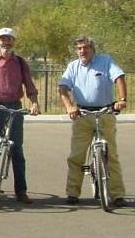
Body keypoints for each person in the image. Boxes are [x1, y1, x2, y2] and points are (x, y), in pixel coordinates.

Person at [58, 36, 128, 208]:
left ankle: (117, 194)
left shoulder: (105, 61)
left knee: (111, 155)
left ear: (92, 49)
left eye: (86, 47)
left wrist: (122, 99)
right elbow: (63, 87)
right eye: (79, 48)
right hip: (82, 114)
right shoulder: (73, 67)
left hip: (105, 112)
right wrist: (70, 107)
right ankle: (73, 192)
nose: (83, 51)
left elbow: (119, 77)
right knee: (76, 156)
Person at [0, 28, 39, 205]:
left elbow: (29, 85)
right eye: (2, 39)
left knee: (17, 149)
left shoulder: (20, 62)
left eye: (9, 39)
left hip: (15, 107)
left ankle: (21, 191)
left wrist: (34, 102)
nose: (6, 43)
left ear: (14, 41)